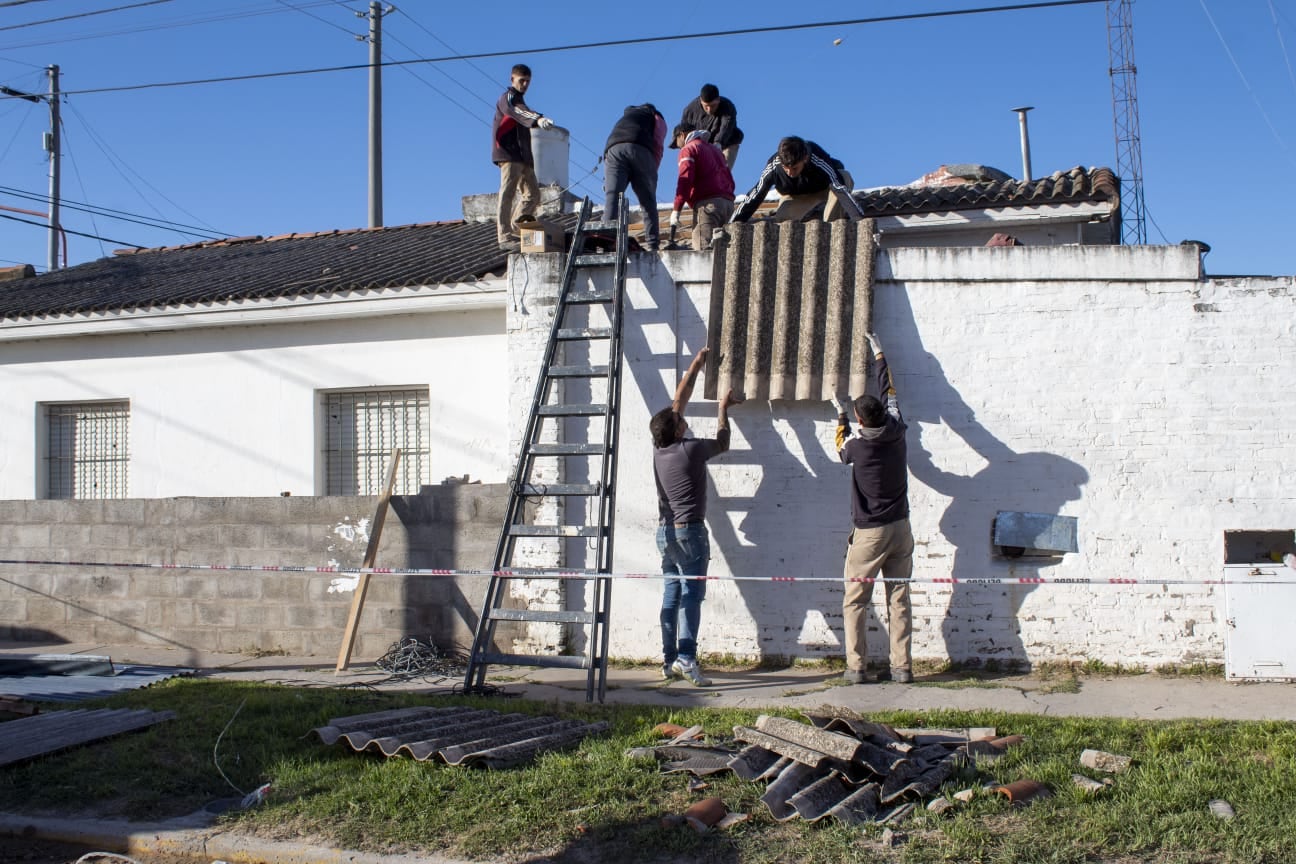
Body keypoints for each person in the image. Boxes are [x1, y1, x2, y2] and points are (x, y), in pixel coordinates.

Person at [650, 346, 742, 686]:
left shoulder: (660, 448)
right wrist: (723, 408)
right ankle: (687, 659)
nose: (681, 415)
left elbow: (679, 398)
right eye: (679, 420)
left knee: (672, 594)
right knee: (692, 596)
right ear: (677, 431)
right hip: (690, 533)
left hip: (665, 534)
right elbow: (723, 442)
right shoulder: (690, 450)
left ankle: (669, 659)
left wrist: (698, 363)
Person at [835, 331, 913, 685]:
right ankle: (902, 668)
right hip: (901, 527)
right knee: (898, 597)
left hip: (870, 533)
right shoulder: (897, 427)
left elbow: (840, 448)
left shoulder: (857, 448)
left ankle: (856, 667)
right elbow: (890, 391)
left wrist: (839, 417)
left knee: (855, 599)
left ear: (860, 421)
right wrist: (880, 355)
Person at [492, 64, 555, 251]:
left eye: (528, 81)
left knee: (533, 194)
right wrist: (537, 118)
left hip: (524, 157)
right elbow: (516, 110)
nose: (525, 84)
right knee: (508, 192)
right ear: (512, 79)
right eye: (522, 80)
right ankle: (503, 235)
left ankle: (514, 229)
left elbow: (522, 113)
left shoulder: (522, 103)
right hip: (509, 154)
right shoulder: (508, 98)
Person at [731, 136, 864, 224]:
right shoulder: (774, 166)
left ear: (805, 159)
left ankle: (830, 228)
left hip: (824, 189)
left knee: (844, 176)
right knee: (782, 222)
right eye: (786, 168)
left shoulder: (817, 158)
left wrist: (860, 220)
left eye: (794, 168)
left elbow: (838, 186)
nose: (790, 173)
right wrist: (733, 224)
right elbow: (756, 194)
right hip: (795, 196)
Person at [604, 103, 667, 252]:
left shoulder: (625, 118)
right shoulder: (656, 117)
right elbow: (658, 144)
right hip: (641, 149)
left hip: (614, 149)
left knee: (612, 196)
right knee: (648, 201)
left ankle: (605, 238)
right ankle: (652, 244)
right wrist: (651, 174)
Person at [667, 122, 735, 251]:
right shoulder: (715, 150)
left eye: (677, 143)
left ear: (682, 135)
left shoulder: (688, 149)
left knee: (703, 253)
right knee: (724, 255)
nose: (678, 147)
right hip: (728, 205)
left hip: (708, 206)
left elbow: (685, 181)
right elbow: (729, 178)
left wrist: (676, 209)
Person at [680, 83, 744, 171]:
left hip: (726, 144)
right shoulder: (690, 111)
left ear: (718, 100)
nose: (709, 109)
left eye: (713, 106)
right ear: (701, 101)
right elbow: (684, 132)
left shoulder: (727, 107)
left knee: (722, 174)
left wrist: (718, 143)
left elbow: (726, 127)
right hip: (702, 147)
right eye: (706, 106)